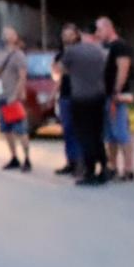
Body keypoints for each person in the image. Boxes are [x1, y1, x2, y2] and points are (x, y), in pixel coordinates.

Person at [63, 29, 110, 186]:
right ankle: (104, 167)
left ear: (80, 35)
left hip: (81, 97)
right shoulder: (101, 51)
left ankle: (89, 171)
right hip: (99, 96)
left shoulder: (72, 52)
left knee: (85, 135)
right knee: (98, 133)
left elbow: (62, 70)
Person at [95, 16, 134, 181]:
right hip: (104, 94)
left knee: (121, 132)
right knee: (110, 134)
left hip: (116, 96)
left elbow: (123, 68)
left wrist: (116, 90)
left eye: (100, 29)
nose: (98, 34)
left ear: (108, 28)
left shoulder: (120, 46)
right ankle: (112, 166)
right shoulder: (104, 46)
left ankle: (128, 169)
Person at [0, 26, 31, 172]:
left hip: (14, 99)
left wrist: (15, 95)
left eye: (10, 33)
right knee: (6, 130)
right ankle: (14, 157)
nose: (7, 36)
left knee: (21, 130)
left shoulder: (18, 55)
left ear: (15, 37)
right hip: (3, 97)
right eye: (5, 33)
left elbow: (22, 76)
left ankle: (27, 158)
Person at [51, 23, 83, 175]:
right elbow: (56, 72)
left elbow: (71, 70)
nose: (66, 37)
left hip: (79, 94)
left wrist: (65, 69)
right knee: (67, 130)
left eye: (70, 34)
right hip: (64, 95)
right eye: (64, 34)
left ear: (76, 35)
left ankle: (81, 163)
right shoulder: (60, 54)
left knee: (78, 129)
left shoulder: (81, 51)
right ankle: (70, 161)